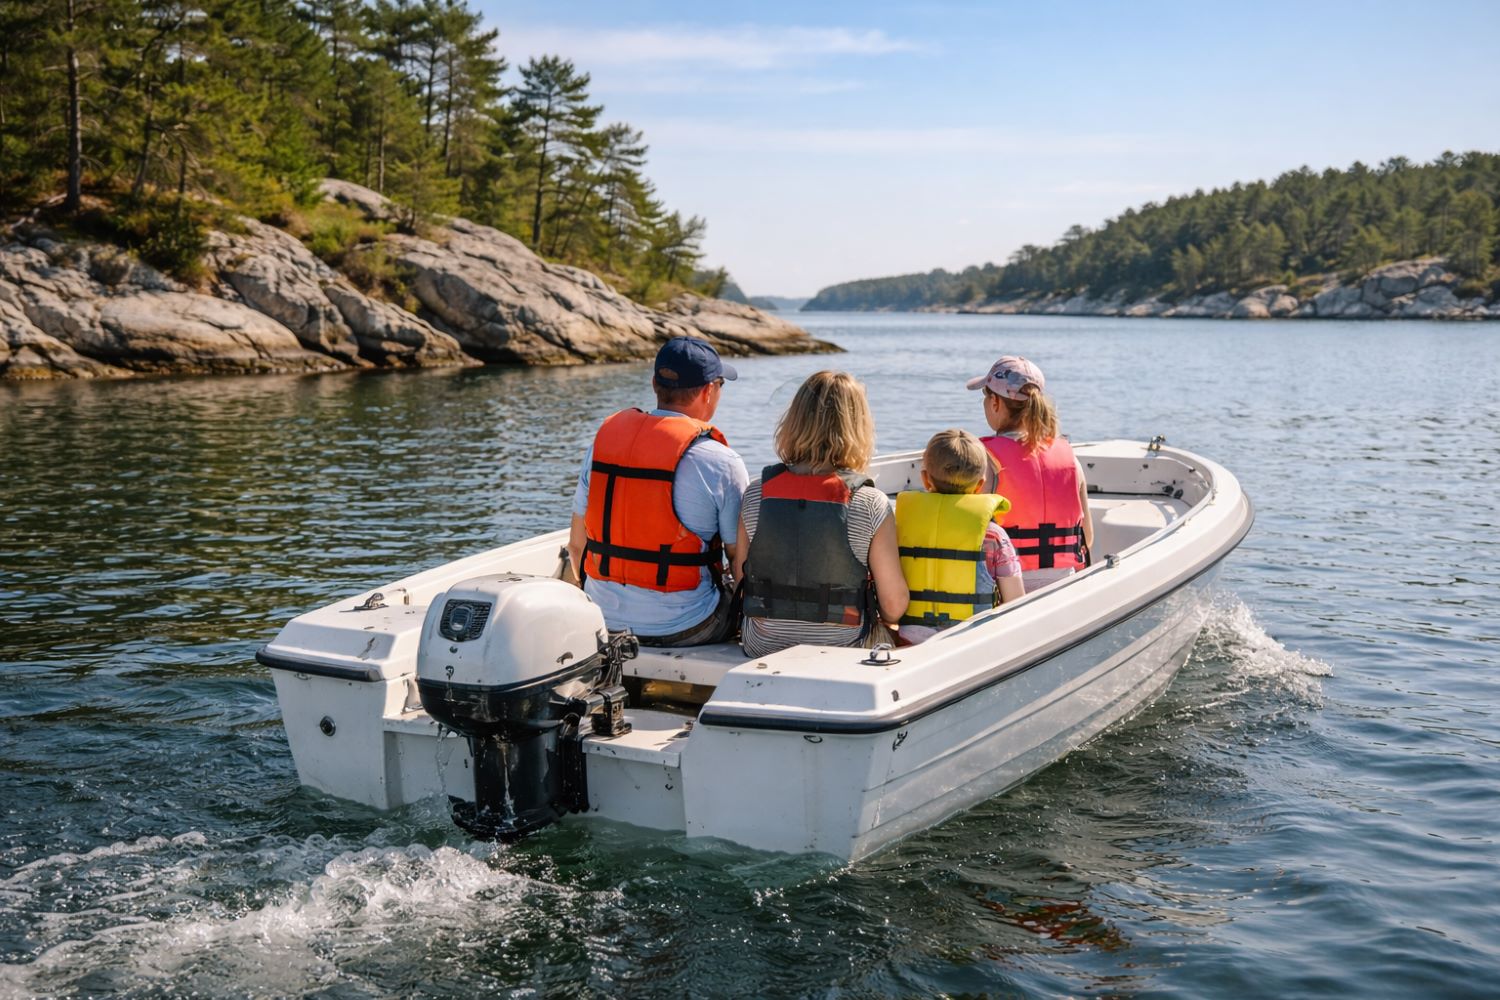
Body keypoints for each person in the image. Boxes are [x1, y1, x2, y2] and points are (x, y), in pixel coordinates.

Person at [566, 336, 748, 646]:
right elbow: (741, 562)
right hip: (689, 625)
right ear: (708, 392)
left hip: (602, 621)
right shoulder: (721, 462)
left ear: (654, 384)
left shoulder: (602, 445)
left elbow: (575, 544)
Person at [732, 370, 908, 656]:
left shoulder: (756, 494)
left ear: (794, 422)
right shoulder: (870, 502)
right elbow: (893, 607)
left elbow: (742, 583)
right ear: (859, 427)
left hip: (762, 645)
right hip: (844, 647)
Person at [969, 355, 1095, 591]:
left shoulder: (986, 458)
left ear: (995, 402)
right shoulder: (1069, 458)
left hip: (1007, 586)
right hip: (1063, 582)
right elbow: (1087, 537)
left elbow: (970, 532)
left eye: (985, 398)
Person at [896, 429, 1025, 643]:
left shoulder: (900, 527)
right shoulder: (993, 536)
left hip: (910, 641)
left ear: (926, 479)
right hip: (971, 641)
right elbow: (1016, 602)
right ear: (980, 485)